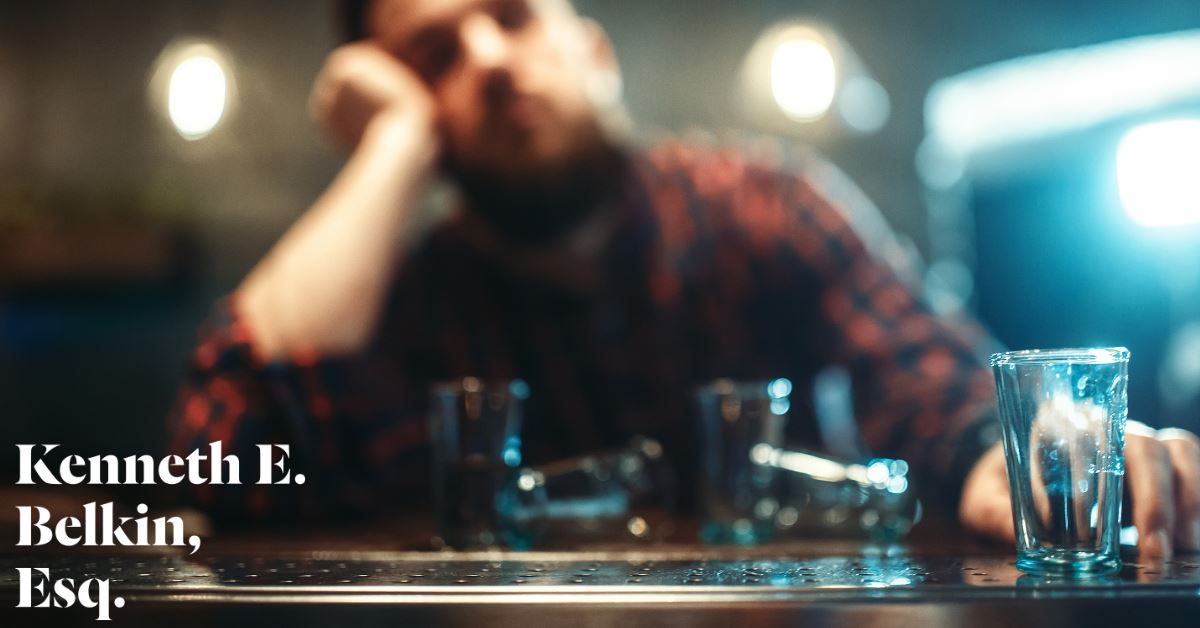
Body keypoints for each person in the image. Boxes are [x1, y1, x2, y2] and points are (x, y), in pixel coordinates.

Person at [170, 0, 1200, 557]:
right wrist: (391, 147)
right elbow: (220, 457)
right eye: (434, 54)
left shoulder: (764, 203)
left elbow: (921, 371)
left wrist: (1002, 455)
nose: (486, 59)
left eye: (513, 16)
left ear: (595, 52)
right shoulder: (412, 295)